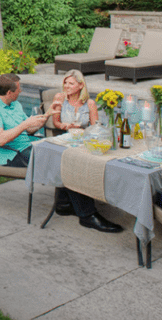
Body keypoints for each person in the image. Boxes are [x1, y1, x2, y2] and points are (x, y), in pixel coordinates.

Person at [0, 74, 123, 233]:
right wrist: (25, 124)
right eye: (18, 89)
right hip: (12, 154)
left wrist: (47, 114)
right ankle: (88, 216)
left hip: (31, 146)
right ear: (9, 93)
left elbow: (30, 129)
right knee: (68, 165)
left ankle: (63, 205)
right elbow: (0, 140)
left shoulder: (15, 104)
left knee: (69, 155)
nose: (21, 91)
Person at [48, 69, 100, 218]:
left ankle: (68, 203)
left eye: (71, 83)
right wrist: (66, 126)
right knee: (77, 164)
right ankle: (85, 212)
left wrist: (84, 131)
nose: (66, 86)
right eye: (65, 82)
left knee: (91, 162)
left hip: (84, 141)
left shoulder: (89, 103)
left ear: (81, 85)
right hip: (65, 140)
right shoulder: (60, 97)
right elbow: (56, 122)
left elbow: (94, 126)